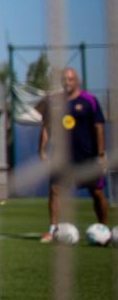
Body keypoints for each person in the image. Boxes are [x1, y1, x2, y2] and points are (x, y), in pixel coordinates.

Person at [37, 67, 109, 243]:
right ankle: (52, 230)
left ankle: (104, 228)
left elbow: (98, 127)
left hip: (87, 156)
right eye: (64, 79)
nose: (67, 82)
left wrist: (100, 154)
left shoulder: (89, 101)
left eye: (70, 79)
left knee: (97, 192)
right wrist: (42, 149)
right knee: (54, 190)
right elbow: (47, 127)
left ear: (77, 81)